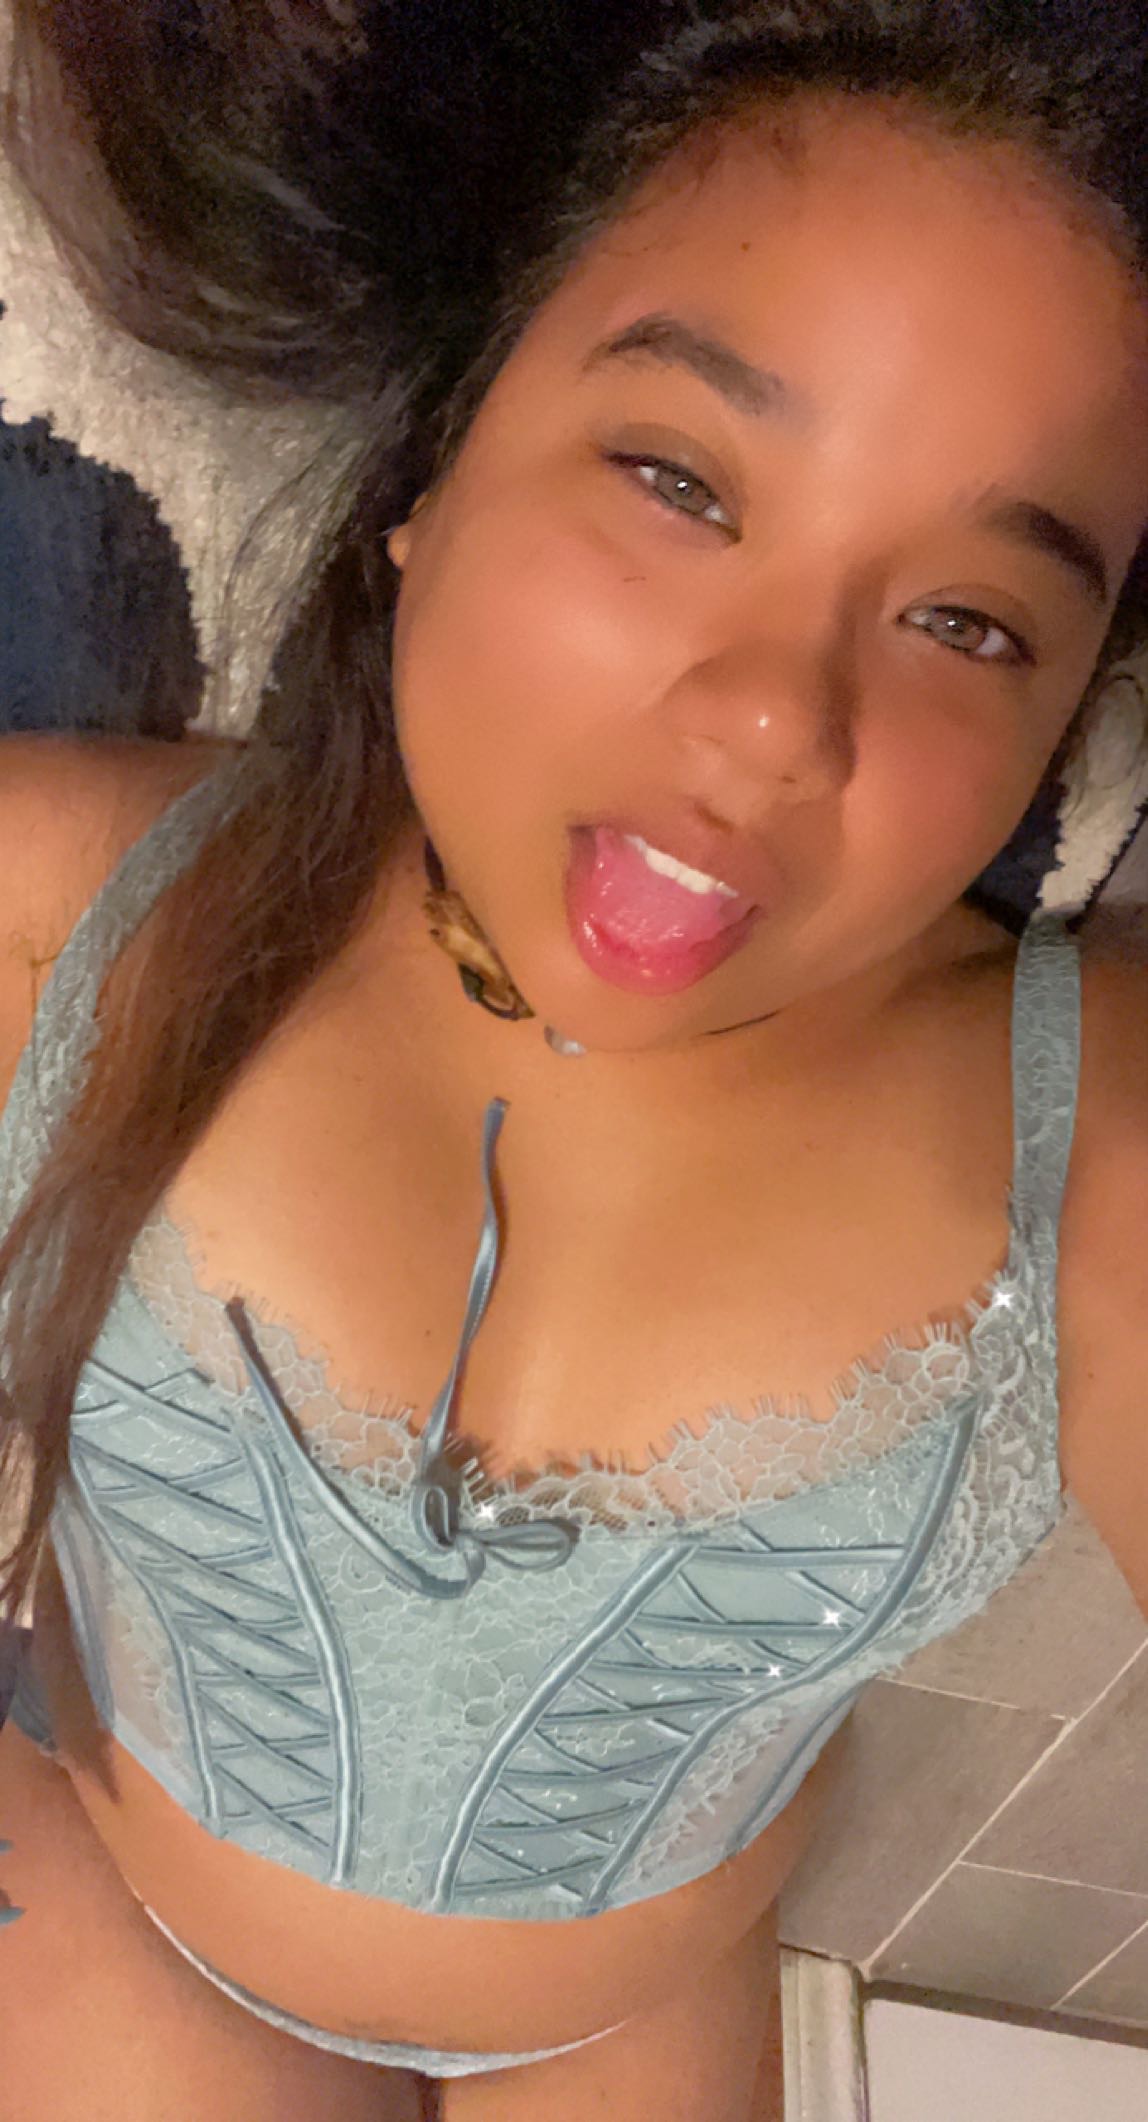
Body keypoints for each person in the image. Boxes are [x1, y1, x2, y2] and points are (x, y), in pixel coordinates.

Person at [2, 3, 1148, 2117]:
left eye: (972, 621)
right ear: (432, 463)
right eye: (681, 481)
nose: (778, 719)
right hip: (121, 1899)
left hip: (632, 2001)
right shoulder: (59, 909)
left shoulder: (1088, 1142)